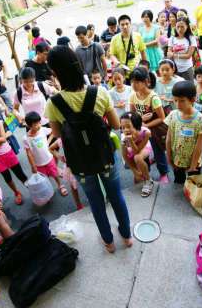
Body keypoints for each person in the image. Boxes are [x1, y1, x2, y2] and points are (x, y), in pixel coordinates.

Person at [44, 46, 131, 253]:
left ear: (54, 72)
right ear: (78, 64)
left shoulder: (53, 103)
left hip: (80, 163)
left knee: (96, 202)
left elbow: (57, 133)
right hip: (105, 157)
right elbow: (116, 125)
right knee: (117, 197)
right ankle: (127, 236)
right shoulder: (99, 92)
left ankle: (109, 242)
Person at [165, 80, 202, 185]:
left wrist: (193, 165)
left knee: (194, 185)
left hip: (194, 162)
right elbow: (169, 138)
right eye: (175, 100)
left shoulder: (201, 119)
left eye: (182, 101)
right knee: (178, 183)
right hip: (177, 160)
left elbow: (199, 144)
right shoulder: (172, 115)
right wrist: (168, 158)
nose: (177, 104)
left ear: (192, 100)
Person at [128, 67, 169, 184]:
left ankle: (163, 173)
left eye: (137, 82)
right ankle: (146, 172)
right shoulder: (132, 95)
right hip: (140, 129)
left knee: (158, 152)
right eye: (131, 82)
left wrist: (146, 124)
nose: (133, 85)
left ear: (146, 81)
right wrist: (141, 122)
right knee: (142, 152)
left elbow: (162, 118)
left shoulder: (153, 98)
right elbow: (132, 114)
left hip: (153, 130)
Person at [24, 111, 68, 196]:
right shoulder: (26, 138)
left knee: (54, 173)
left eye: (40, 123)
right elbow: (28, 154)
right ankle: (48, 190)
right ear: (29, 126)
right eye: (36, 124)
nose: (39, 125)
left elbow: (53, 132)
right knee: (44, 178)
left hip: (49, 159)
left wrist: (48, 142)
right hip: (38, 164)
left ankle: (60, 185)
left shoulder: (42, 130)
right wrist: (33, 166)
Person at [120, 111, 153, 196]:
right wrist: (135, 172)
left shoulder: (146, 132)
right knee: (138, 178)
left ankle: (148, 181)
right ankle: (142, 181)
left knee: (138, 158)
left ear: (137, 125)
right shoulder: (124, 140)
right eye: (123, 127)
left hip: (144, 147)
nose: (125, 130)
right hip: (131, 150)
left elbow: (137, 151)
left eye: (128, 126)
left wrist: (131, 141)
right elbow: (125, 157)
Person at [110, 15, 147, 84]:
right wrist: (115, 61)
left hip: (136, 71)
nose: (125, 26)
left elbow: (143, 52)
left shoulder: (138, 36)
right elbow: (112, 54)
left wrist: (145, 67)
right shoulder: (114, 39)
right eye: (122, 24)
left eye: (127, 24)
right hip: (123, 72)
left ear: (130, 24)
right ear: (119, 26)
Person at [50, 139, 84, 210]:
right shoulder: (62, 139)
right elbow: (51, 148)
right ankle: (79, 204)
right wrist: (59, 157)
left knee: (77, 184)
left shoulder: (62, 138)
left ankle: (79, 204)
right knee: (74, 185)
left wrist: (59, 157)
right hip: (74, 166)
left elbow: (51, 148)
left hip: (76, 164)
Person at [167, 17, 197, 82]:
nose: (179, 29)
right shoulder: (172, 38)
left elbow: (188, 55)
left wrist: (173, 55)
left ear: (187, 27)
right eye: (177, 27)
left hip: (187, 68)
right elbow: (169, 53)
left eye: (182, 27)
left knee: (189, 86)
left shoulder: (191, 38)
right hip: (175, 69)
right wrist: (172, 55)